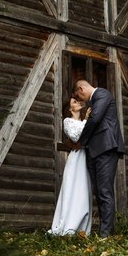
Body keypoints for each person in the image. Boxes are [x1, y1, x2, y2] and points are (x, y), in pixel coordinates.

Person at [72, 79, 125, 238]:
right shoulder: (95, 100)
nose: (83, 101)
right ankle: (104, 232)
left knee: (104, 192)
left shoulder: (102, 94)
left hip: (106, 149)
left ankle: (105, 235)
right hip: (95, 151)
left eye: (80, 97)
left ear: (81, 89)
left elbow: (94, 119)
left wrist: (80, 142)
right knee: (99, 193)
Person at [48, 97, 92, 236]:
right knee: (73, 190)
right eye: (74, 102)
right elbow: (76, 136)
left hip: (86, 157)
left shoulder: (84, 121)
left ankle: (82, 230)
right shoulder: (68, 121)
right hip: (77, 159)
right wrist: (86, 120)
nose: (78, 103)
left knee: (84, 191)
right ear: (69, 108)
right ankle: (68, 227)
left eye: (78, 101)